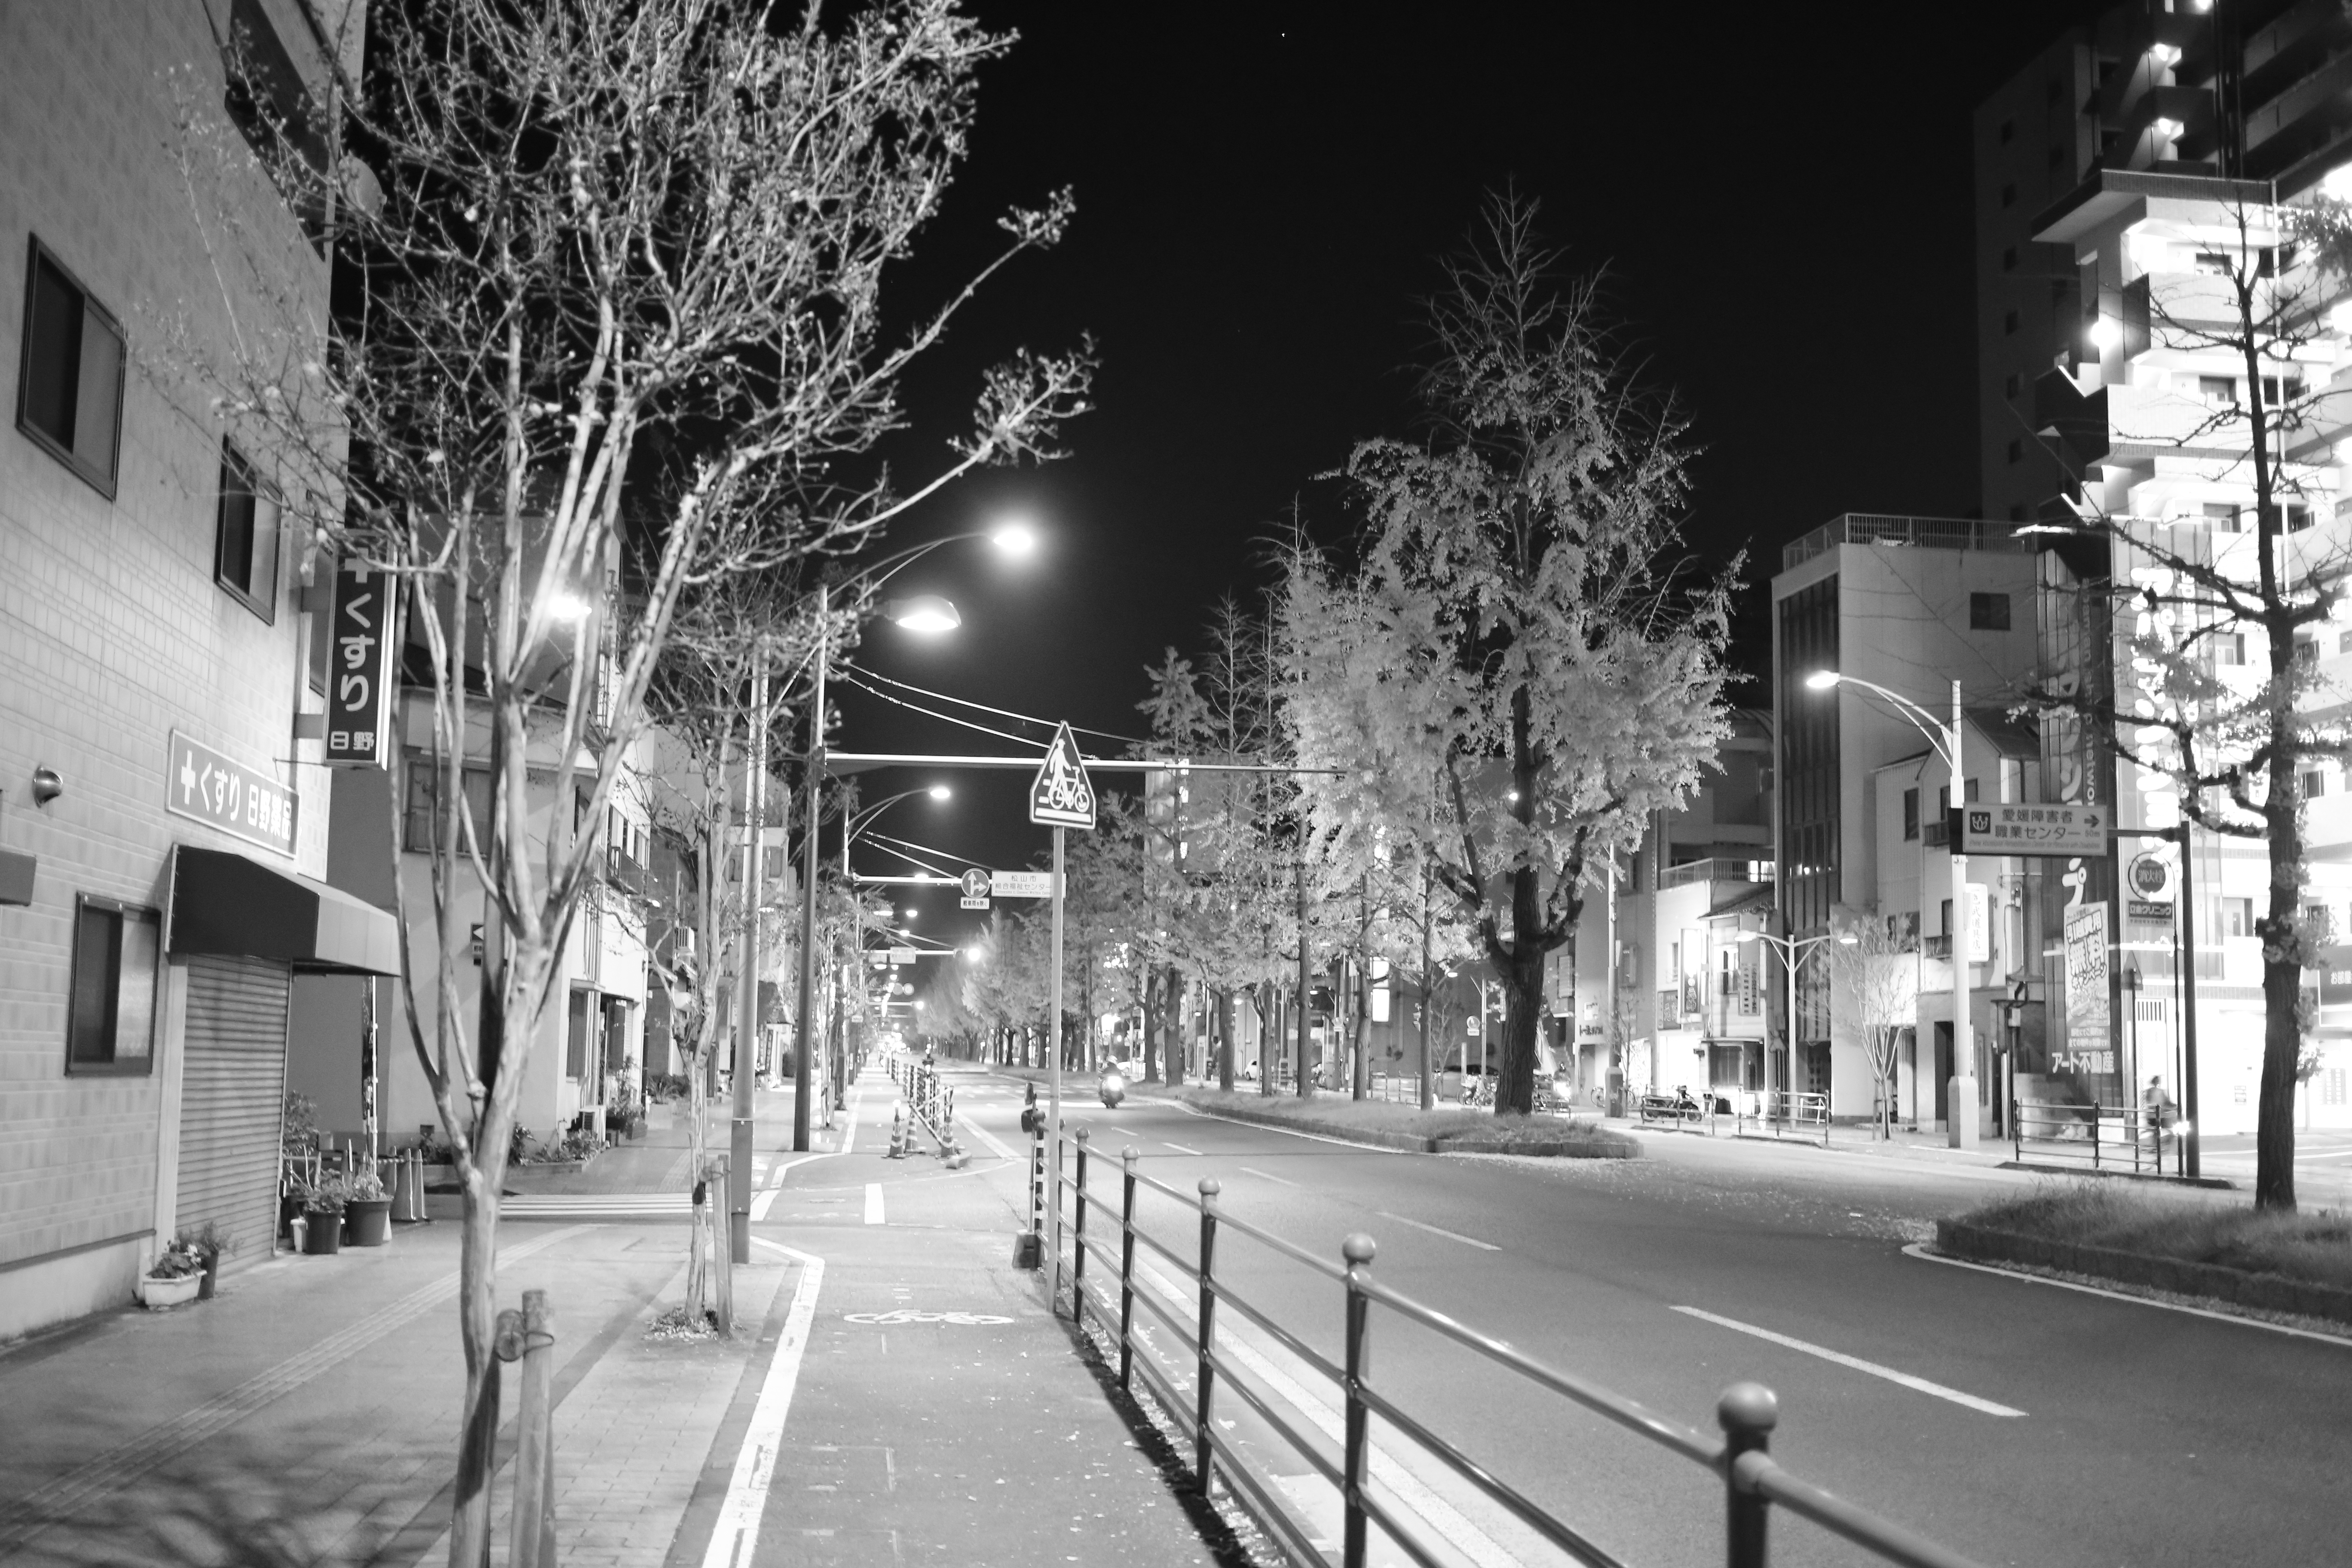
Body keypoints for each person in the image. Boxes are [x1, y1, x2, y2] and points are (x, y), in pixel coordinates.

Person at [2142, 1074, 2176, 1157]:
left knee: (2157, 1132)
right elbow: (2167, 1103)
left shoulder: (2148, 1092)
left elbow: (2149, 1103)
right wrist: (2174, 1107)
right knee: (2170, 1132)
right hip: (2159, 1116)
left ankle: (2156, 1146)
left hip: (2152, 1117)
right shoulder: (2160, 1092)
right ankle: (2161, 1146)